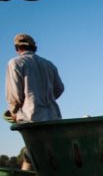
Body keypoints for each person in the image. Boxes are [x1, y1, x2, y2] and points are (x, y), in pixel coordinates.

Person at [5, 34, 64, 169]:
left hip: (31, 118)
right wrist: (46, 98)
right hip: (53, 117)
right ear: (34, 47)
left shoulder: (15, 63)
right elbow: (59, 89)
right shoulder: (48, 64)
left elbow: (15, 96)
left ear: (17, 48)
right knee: (49, 152)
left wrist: (13, 112)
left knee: (33, 151)